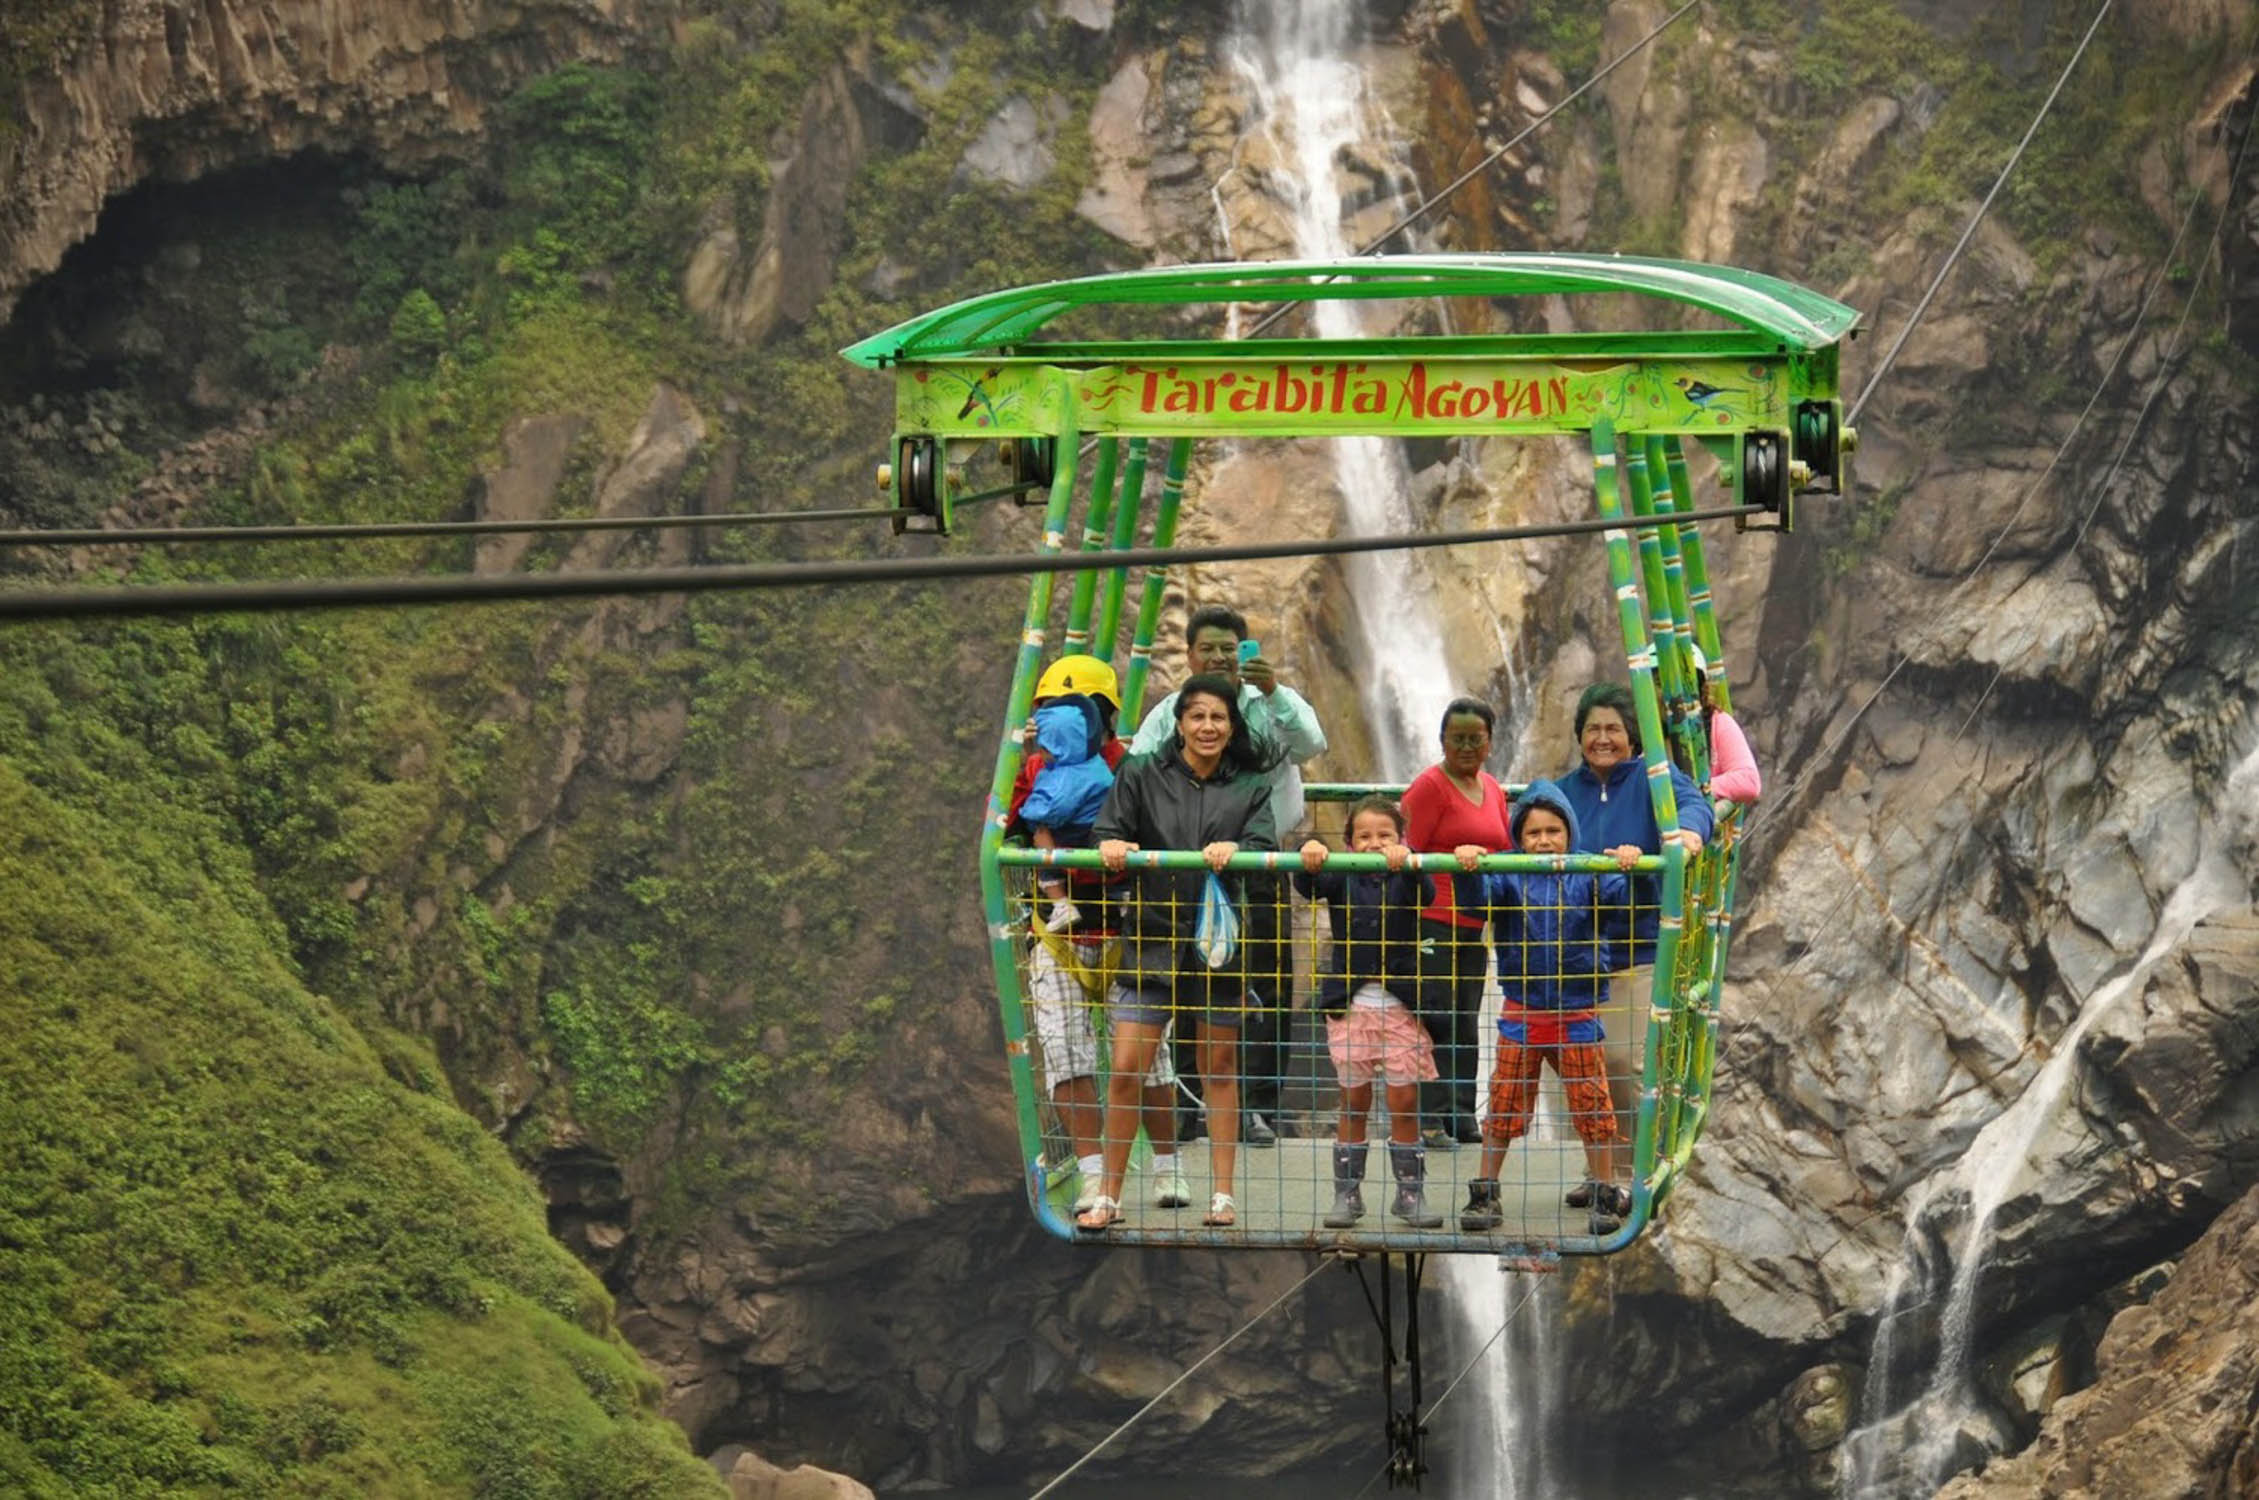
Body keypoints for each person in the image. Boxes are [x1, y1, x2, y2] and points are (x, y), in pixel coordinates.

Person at [1078, 675, 1281, 1231]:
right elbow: (1105, 832)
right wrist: (1114, 847)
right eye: (1197, 716)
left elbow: (1266, 844)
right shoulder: (1143, 773)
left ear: (1233, 725)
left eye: (1219, 717)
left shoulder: (1250, 785)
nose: (1208, 727)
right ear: (1179, 722)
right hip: (1151, 939)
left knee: (1218, 1066)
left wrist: (1237, 848)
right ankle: (1109, 1197)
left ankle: (1222, 1197)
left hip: (1217, 947)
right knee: (1125, 1069)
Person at [1130, 604, 1327, 1147]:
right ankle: (1193, 1105)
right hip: (1190, 870)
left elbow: (1313, 744)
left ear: (1245, 651)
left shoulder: (1271, 704)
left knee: (1264, 984)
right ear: (1189, 655)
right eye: (1207, 648)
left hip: (1258, 864)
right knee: (1195, 986)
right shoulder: (1172, 712)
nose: (1217, 657)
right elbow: (1138, 771)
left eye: (1228, 647)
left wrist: (1277, 693)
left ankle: (1258, 1107)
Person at [1007, 655, 1186, 1214]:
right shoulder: (1036, 768)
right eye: (1051, 709)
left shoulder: (1131, 766)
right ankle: (1091, 1175)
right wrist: (1024, 757)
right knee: (1065, 1052)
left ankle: (1166, 1165)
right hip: (1059, 933)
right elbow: (1010, 823)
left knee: (1148, 1060)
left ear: (1103, 714)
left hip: (1128, 930)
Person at [1555, 681, 1714, 1208]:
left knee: (1622, 1059)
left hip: (1636, 947)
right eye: (1593, 729)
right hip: (1576, 952)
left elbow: (1696, 807)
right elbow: (1528, 829)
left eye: (1613, 730)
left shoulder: (1655, 780)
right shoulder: (1564, 792)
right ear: (1580, 735)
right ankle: (1597, 1169)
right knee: (1583, 1065)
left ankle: (1623, 1174)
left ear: (1632, 737)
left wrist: (1686, 835)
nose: (1603, 739)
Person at [1459, 782, 1640, 1234]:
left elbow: (1619, 902)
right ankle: (1485, 1191)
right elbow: (1479, 899)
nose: (1543, 840)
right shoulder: (1508, 873)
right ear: (1519, 837)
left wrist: (1627, 866)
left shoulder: (1588, 871)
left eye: (1553, 831)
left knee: (1592, 1105)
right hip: (1523, 1011)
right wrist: (1467, 868)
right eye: (1533, 832)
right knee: (1503, 1104)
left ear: (1569, 833)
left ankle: (1603, 1191)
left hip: (1577, 1010)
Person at [1292, 797, 1444, 1228]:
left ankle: (1410, 1193)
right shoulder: (1343, 875)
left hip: (1399, 1005)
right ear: (1349, 842)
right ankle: (1348, 1193)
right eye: (1364, 836)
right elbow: (1309, 885)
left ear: (1401, 839)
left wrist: (1410, 862)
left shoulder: (1407, 874)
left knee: (1404, 1099)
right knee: (1354, 1100)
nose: (1375, 844)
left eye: (1385, 836)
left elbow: (1427, 891)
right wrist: (1312, 857)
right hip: (1351, 1006)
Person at [1398, 697, 1512, 1147]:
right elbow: (1408, 850)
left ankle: (1462, 1112)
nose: (1466, 746)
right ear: (1442, 740)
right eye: (1456, 738)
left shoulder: (1493, 789)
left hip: (1473, 922)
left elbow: (1503, 848)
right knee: (1435, 1015)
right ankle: (1431, 1115)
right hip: (1432, 919)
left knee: (1465, 1017)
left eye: (1475, 738)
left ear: (1489, 743)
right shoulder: (1429, 787)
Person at [1687, 645, 1762, 808]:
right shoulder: (1644, 733)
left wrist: (1693, 790)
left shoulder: (1718, 723)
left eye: (1688, 684)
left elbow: (1748, 780)